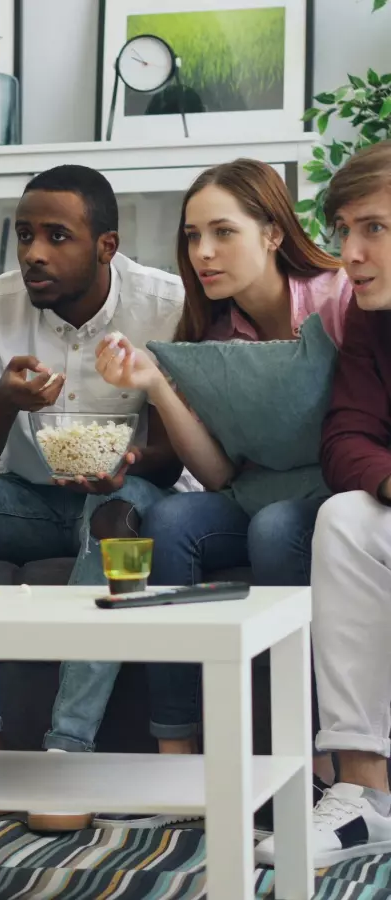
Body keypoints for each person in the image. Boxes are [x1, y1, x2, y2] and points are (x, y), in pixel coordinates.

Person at [0, 165, 186, 830]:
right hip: (27, 500)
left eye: (57, 236)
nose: (34, 252)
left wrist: (126, 465)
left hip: (124, 492)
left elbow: (175, 453)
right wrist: (5, 399)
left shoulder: (166, 304)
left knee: (115, 513)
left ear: (105, 246)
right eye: (25, 235)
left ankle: (68, 751)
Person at [94, 159, 351, 827]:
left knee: (275, 531)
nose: (202, 252)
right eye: (191, 236)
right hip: (256, 494)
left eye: (222, 232)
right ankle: (180, 761)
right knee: (174, 519)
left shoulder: (337, 299)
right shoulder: (214, 335)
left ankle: (317, 767)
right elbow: (218, 477)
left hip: (338, 496)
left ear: (273, 233)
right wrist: (153, 384)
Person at [256, 142, 391, 867]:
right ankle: (364, 794)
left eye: (372, 228)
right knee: (343, 515)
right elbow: (346, 439)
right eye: (343, 230)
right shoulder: (371, 319)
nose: (350, 253)